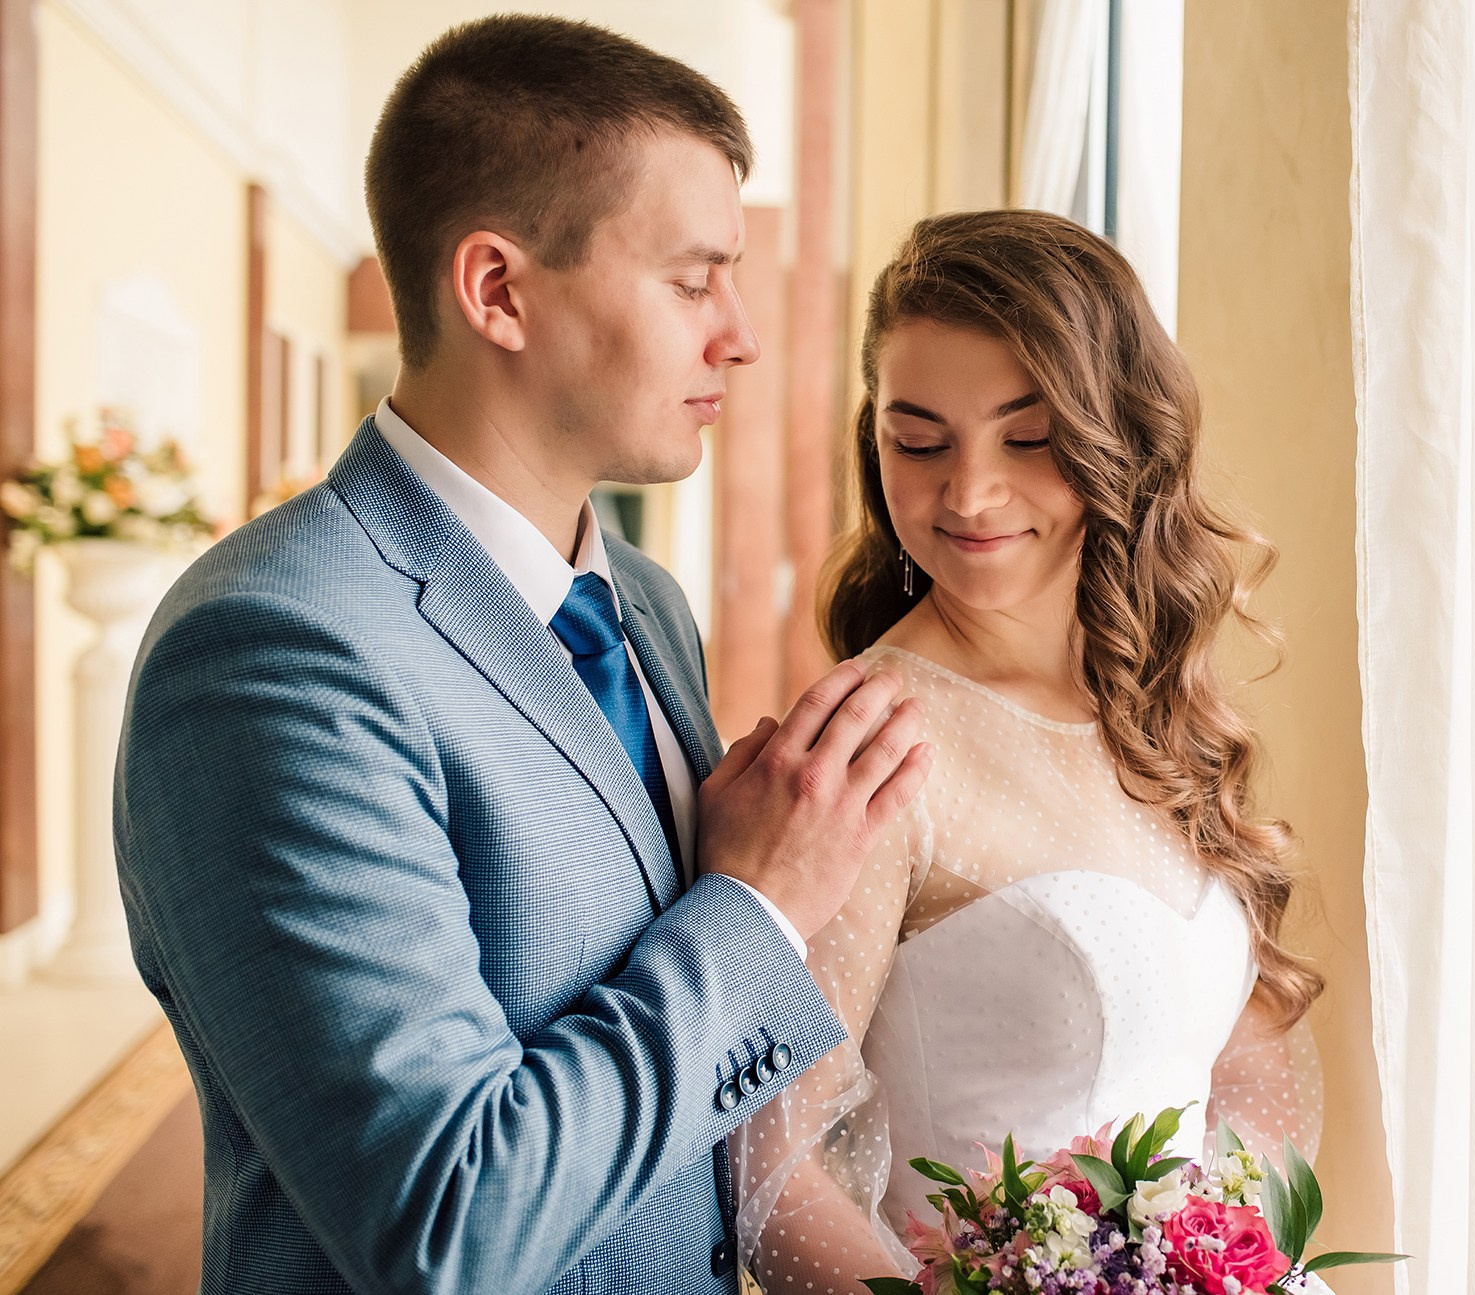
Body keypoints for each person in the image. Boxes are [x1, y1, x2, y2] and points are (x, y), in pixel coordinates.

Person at [112, 16, 929, 1294]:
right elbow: (450, 1226)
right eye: (693, 280)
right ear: (496, 289)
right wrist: (761, 904)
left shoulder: (642, 601)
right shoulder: (267, 652)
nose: (740, 334)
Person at [733, 209, 1327, 1289]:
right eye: (918, 441)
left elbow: (1245, 1073)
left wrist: (1220, 1265)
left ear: (1118, 433)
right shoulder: (871, 746)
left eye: (1027, 436)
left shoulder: (1157, 706)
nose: (968, 494)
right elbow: (772, 1169)